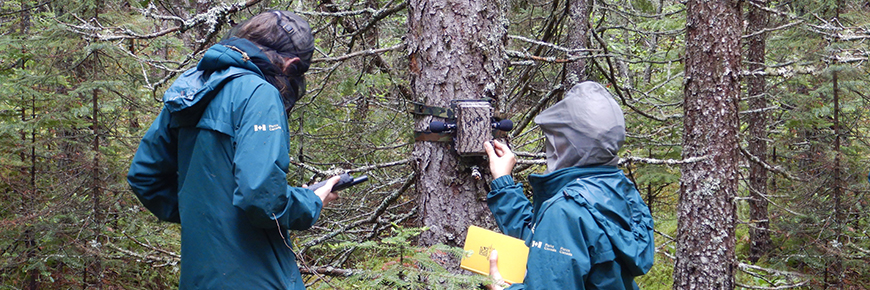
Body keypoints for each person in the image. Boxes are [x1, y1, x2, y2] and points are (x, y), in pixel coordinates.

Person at [127, 11, 341, 289]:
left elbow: (144, 177)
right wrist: (312, 200)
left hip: (200, 279)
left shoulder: (192, 88)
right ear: (292, 64)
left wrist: (210, 218)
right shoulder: (259, 93)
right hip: (256, 279)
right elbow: (263, 199)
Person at [482, 81, 655, 289]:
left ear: (569, 142)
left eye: (557, 137)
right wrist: (504, 185)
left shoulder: (566, 211)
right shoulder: (621, 191)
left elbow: (560, 237)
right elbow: (547, 241)